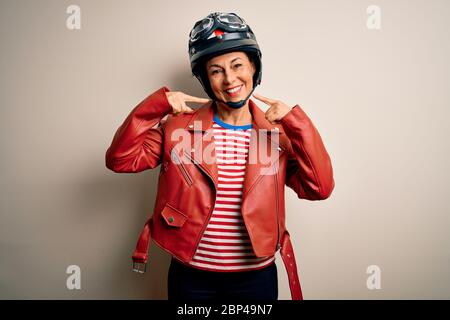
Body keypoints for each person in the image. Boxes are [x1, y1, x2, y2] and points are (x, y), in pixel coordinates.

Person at [105, 12, 335, 301]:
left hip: (256, 277)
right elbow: (119, 160)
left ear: (254, 67)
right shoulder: (177, 128)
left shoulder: (278, 133)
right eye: (216, 70)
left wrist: (297, 125)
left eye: (237, 65)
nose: (229, 79)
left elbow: (320, 188)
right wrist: (155, 107)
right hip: (191, 275)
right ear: (205, 78)